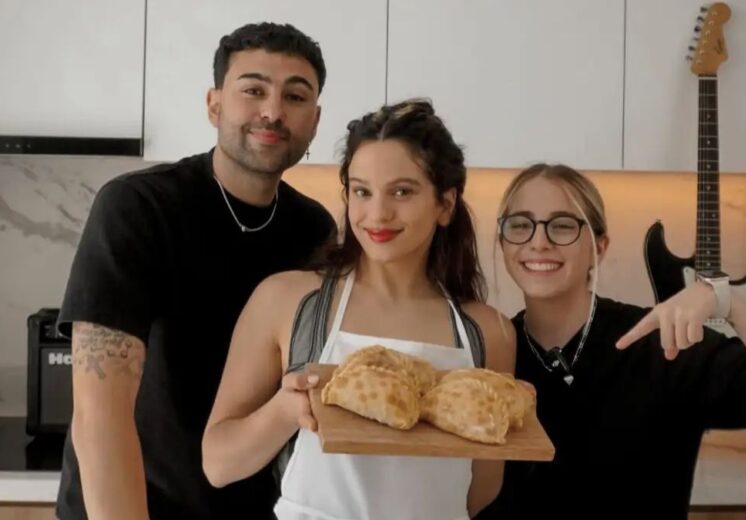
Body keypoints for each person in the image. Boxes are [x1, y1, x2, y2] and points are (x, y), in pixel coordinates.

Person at [55, 23, 336, 520]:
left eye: (295, 96)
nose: (273, 111)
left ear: (314, 122)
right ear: (214, 105)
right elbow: (100, 414)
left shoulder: (313, 230)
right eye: (253, 90)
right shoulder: (139, 207)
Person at [202, 99, 516, 520]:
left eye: (402, 191)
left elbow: (481, 487)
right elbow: (219, 464)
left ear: (445, 204)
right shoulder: (286, 301)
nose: (377, 214)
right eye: (362, 191)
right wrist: (286, 409)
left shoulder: (488, 331)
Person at [477, 163, 746, 519]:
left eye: (563, 225)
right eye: (521, 225)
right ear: (503, 243)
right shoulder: (489, 356)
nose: (539, 242)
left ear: (599, 247)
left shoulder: (665, 346)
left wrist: (726, 301)